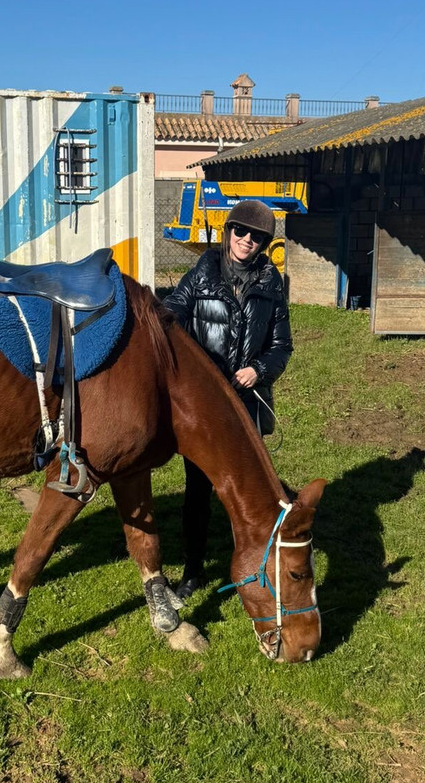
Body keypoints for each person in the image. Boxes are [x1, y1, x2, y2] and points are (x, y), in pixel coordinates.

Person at [163, 199, 293, 598]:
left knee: (245, 492)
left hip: (246, 403)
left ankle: (251, 564)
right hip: (204, 406)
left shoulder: (272, 285)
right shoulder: (201, 273)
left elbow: (281, 346)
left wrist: (260, 369)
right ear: (228, 232)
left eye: (257, 237)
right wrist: (196, 368)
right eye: (241, 231)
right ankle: (192, 569)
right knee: (198, 490)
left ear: (265, 244)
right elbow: (170, 316)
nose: (247, 241)